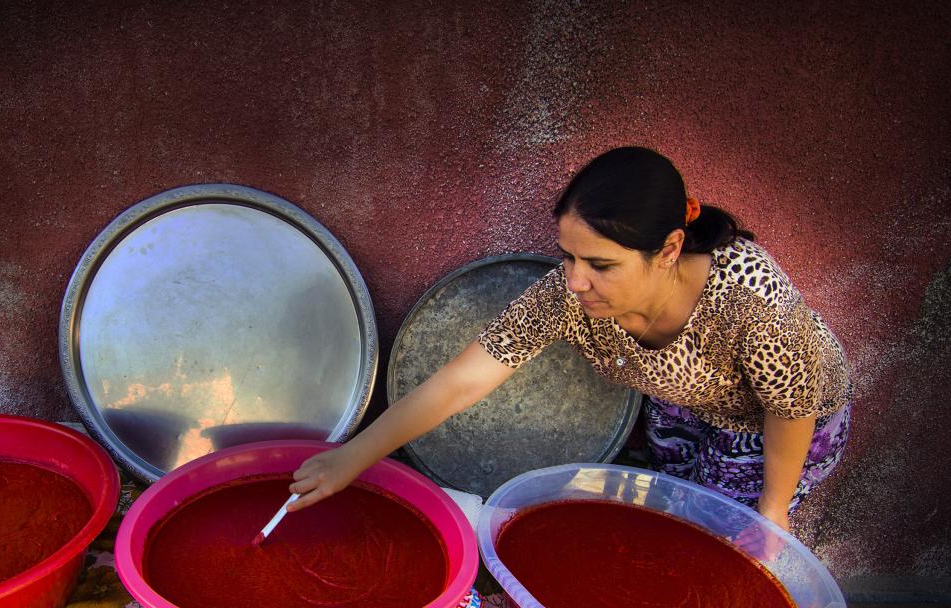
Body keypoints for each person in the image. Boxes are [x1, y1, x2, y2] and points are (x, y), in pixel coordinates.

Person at [289, 146, 851, 531]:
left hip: (779, 424)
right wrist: (352, 458)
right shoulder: (567, 293)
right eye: (569, 255)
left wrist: (773, 513)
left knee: (722, 536)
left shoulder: (753, 303)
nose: (575, 280)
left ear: (671, 249)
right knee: (666, 511)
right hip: (686, 402)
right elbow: (464, 380)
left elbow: (791, 406)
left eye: (601, 264)